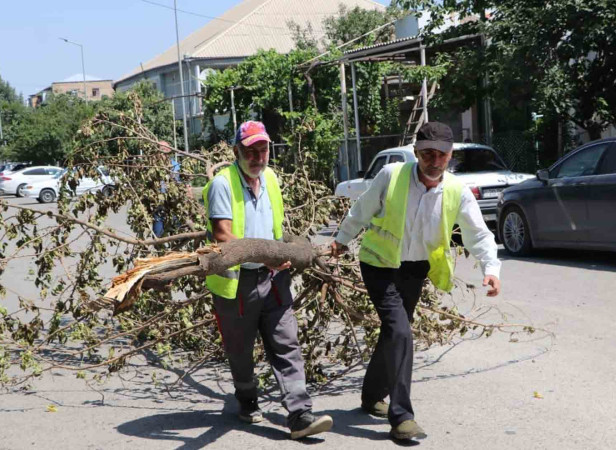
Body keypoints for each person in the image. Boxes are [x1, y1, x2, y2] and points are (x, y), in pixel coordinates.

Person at [330, 122, 501, 441]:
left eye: (441, 155)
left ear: (450, 157)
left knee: (394, 332)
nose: (433, 161)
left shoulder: (456, 191)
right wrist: (341, 239)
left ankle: (370, 397)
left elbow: (478, 234)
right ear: (416, 153)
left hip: (415, 270)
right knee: (400, 332)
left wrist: (490, 269)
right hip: (378, 265)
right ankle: (402, 416)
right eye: (427, 154)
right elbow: (362, 209)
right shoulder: (392, 176)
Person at [203, 121, 333, 440]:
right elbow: (222, 234)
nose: (258, 156)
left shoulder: (271, 178)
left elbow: (276, 227)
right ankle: (246, 397)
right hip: (237, 284)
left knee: (286, 342)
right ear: (237, 152)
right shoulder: (223, 184)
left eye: (263, 149)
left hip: (275, 279)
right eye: (251, 150)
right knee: (240, 351)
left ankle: (300, 414)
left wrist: (288, 249)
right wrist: (265, 253)